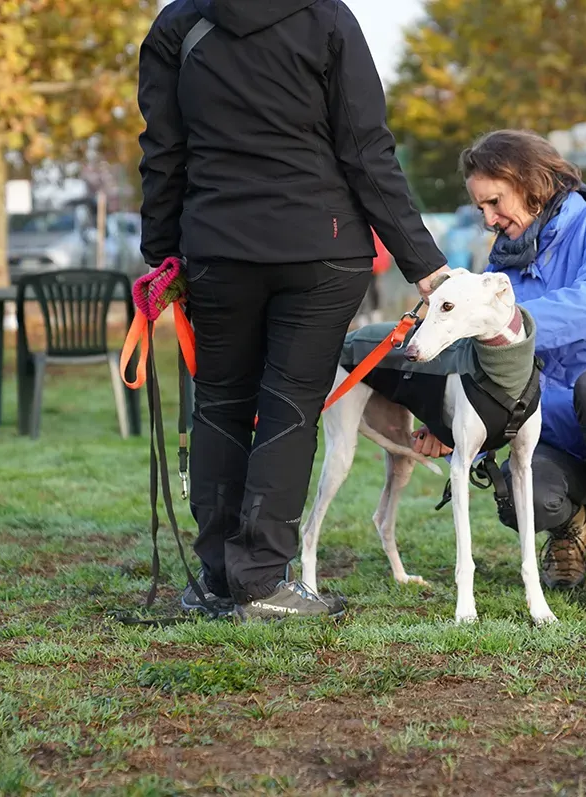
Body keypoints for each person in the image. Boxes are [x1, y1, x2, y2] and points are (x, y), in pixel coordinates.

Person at [138, 0, 450, 621]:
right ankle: (260, 583)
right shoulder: (328, 20)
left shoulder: (179, 23)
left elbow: (162, 151)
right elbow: (366, 149)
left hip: (216, 249)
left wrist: (164, 254)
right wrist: (425, 265)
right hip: (320, 249)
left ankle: (218, 579)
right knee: (288, 406)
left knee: (222, 403)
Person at [413, 130, 586, 613]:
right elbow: (486, 358)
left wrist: (504, 323)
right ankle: (568, 525)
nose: (488, 220)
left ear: (532, 182)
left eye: (495, 202)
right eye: (481, 209)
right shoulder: (504, 264)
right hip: (562, 441)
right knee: (519, 496)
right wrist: (443, 420)